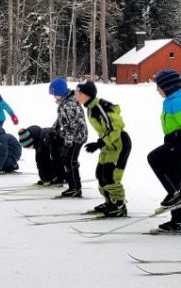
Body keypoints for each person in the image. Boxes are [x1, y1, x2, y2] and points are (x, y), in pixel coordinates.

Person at [147, 69, 181, 232]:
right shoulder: (172, 99)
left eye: (159, 87)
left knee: (154, 158)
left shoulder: (178, 102)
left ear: (168, 87)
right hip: (174, 140)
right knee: (176, 178)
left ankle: (176, 193)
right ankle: (180, 221)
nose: (157, 90)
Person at [76, 80, 131, 217]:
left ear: (88, 95)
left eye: (80, 93)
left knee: (110, 175)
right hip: (108, 144)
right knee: (100, 173)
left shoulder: (100, 107)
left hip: (120, 144)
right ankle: (109, 202)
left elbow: (116, 128)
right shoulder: (89, 107)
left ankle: (119, 204)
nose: (77, 95)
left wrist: (99, 143)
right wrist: (100, 143)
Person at [48, 77, 88, 198]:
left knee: (70, 160)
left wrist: (68, 144)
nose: (54, 97)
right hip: (70, 135)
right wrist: (53, 131)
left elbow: (72, 126)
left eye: (55, 94)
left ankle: (75, 188)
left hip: (78, 136)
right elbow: (61, 120)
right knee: (66, 159)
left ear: (61, 92)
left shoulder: (70, 104)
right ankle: (72, 186)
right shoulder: (64, 103)